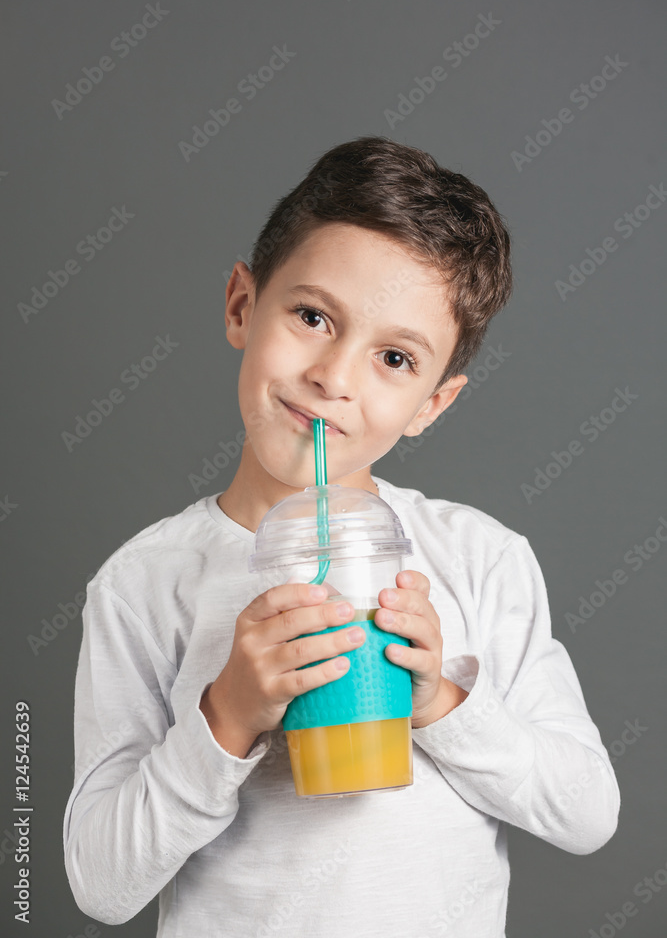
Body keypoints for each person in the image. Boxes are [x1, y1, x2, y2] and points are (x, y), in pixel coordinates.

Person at [63, 135, 620, 937]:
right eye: (312, 316)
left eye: (394, 357)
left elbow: (586, 812)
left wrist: (440, 702)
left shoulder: (480, 559)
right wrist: (226, 716)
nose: (335, 376)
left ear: (434, 403)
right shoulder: (145, 582)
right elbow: (99, 884)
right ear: (241, 306)